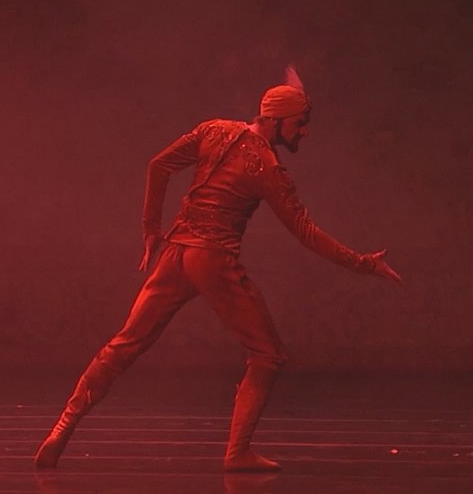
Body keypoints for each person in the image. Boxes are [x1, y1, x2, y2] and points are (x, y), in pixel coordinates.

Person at [34, 67, 403, 473]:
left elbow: (159, 166)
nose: (305, 132)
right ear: (276, 121)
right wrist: (363, 263)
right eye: (300, 124)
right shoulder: (268, 168)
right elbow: (306, 232)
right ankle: (237, 452)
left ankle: (61, 431)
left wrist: (152, 232)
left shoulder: (214, 130)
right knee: (268, 355)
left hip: (175, 253)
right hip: (212, 259)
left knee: (124, 344)